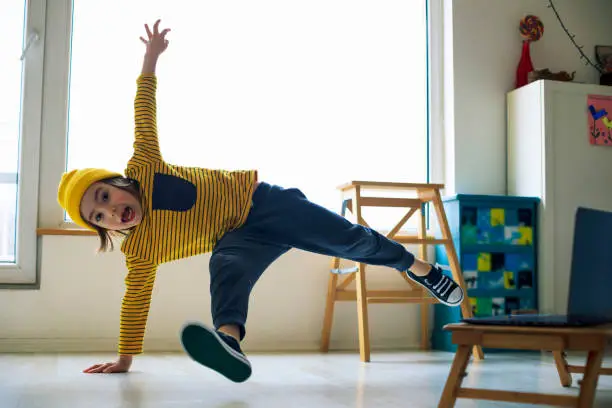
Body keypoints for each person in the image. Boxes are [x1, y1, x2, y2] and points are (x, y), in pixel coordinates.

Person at [57, 20, 464, 383]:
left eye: (105, 195)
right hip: (238, 237)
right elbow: (136, 298)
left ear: (118, 181)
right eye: (99, 215)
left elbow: (143, 113)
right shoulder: (141, 250)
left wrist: (150, 60)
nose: (110, 210)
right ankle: (230, 343)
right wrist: (125, 359)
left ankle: (420, 268)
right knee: (226, 266)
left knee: (352, 241)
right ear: (103, 229)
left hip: (265, 204)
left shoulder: (144, 165)